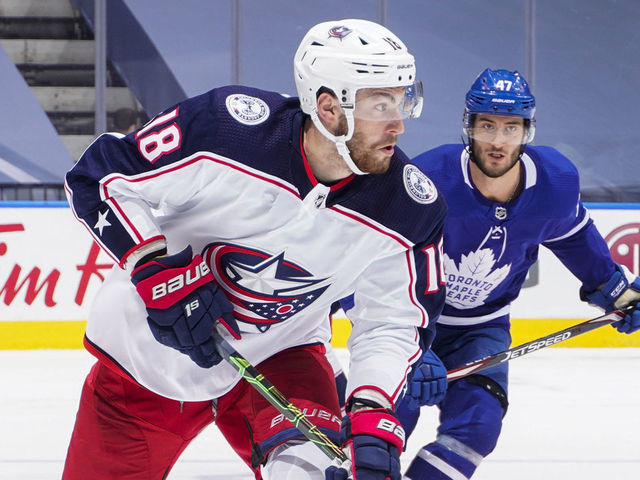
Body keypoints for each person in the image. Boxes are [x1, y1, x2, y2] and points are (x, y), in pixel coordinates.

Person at [61, 19, 449, 480]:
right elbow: (101, 176)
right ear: (328, 108)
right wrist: (154, 271)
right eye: (381, 104)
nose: (399, 123)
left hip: (281, 359)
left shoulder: (408, 208)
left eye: (403, 99)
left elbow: (393, 321)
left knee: (309, 472)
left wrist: (370, 403)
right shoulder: (228, 131)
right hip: (145, 363)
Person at [393, 68, 640, 479]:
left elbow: (576, 240)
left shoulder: (555, 184)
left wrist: (616, 292)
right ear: (468, 127)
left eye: (511, 127)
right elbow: (373, 261)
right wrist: (408, 343)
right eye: (487, 125)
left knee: (478, 426)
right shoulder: (426, 180)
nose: (498, 140)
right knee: (385, 423)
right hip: (410, 323)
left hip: (482, 329)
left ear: (528, 130)